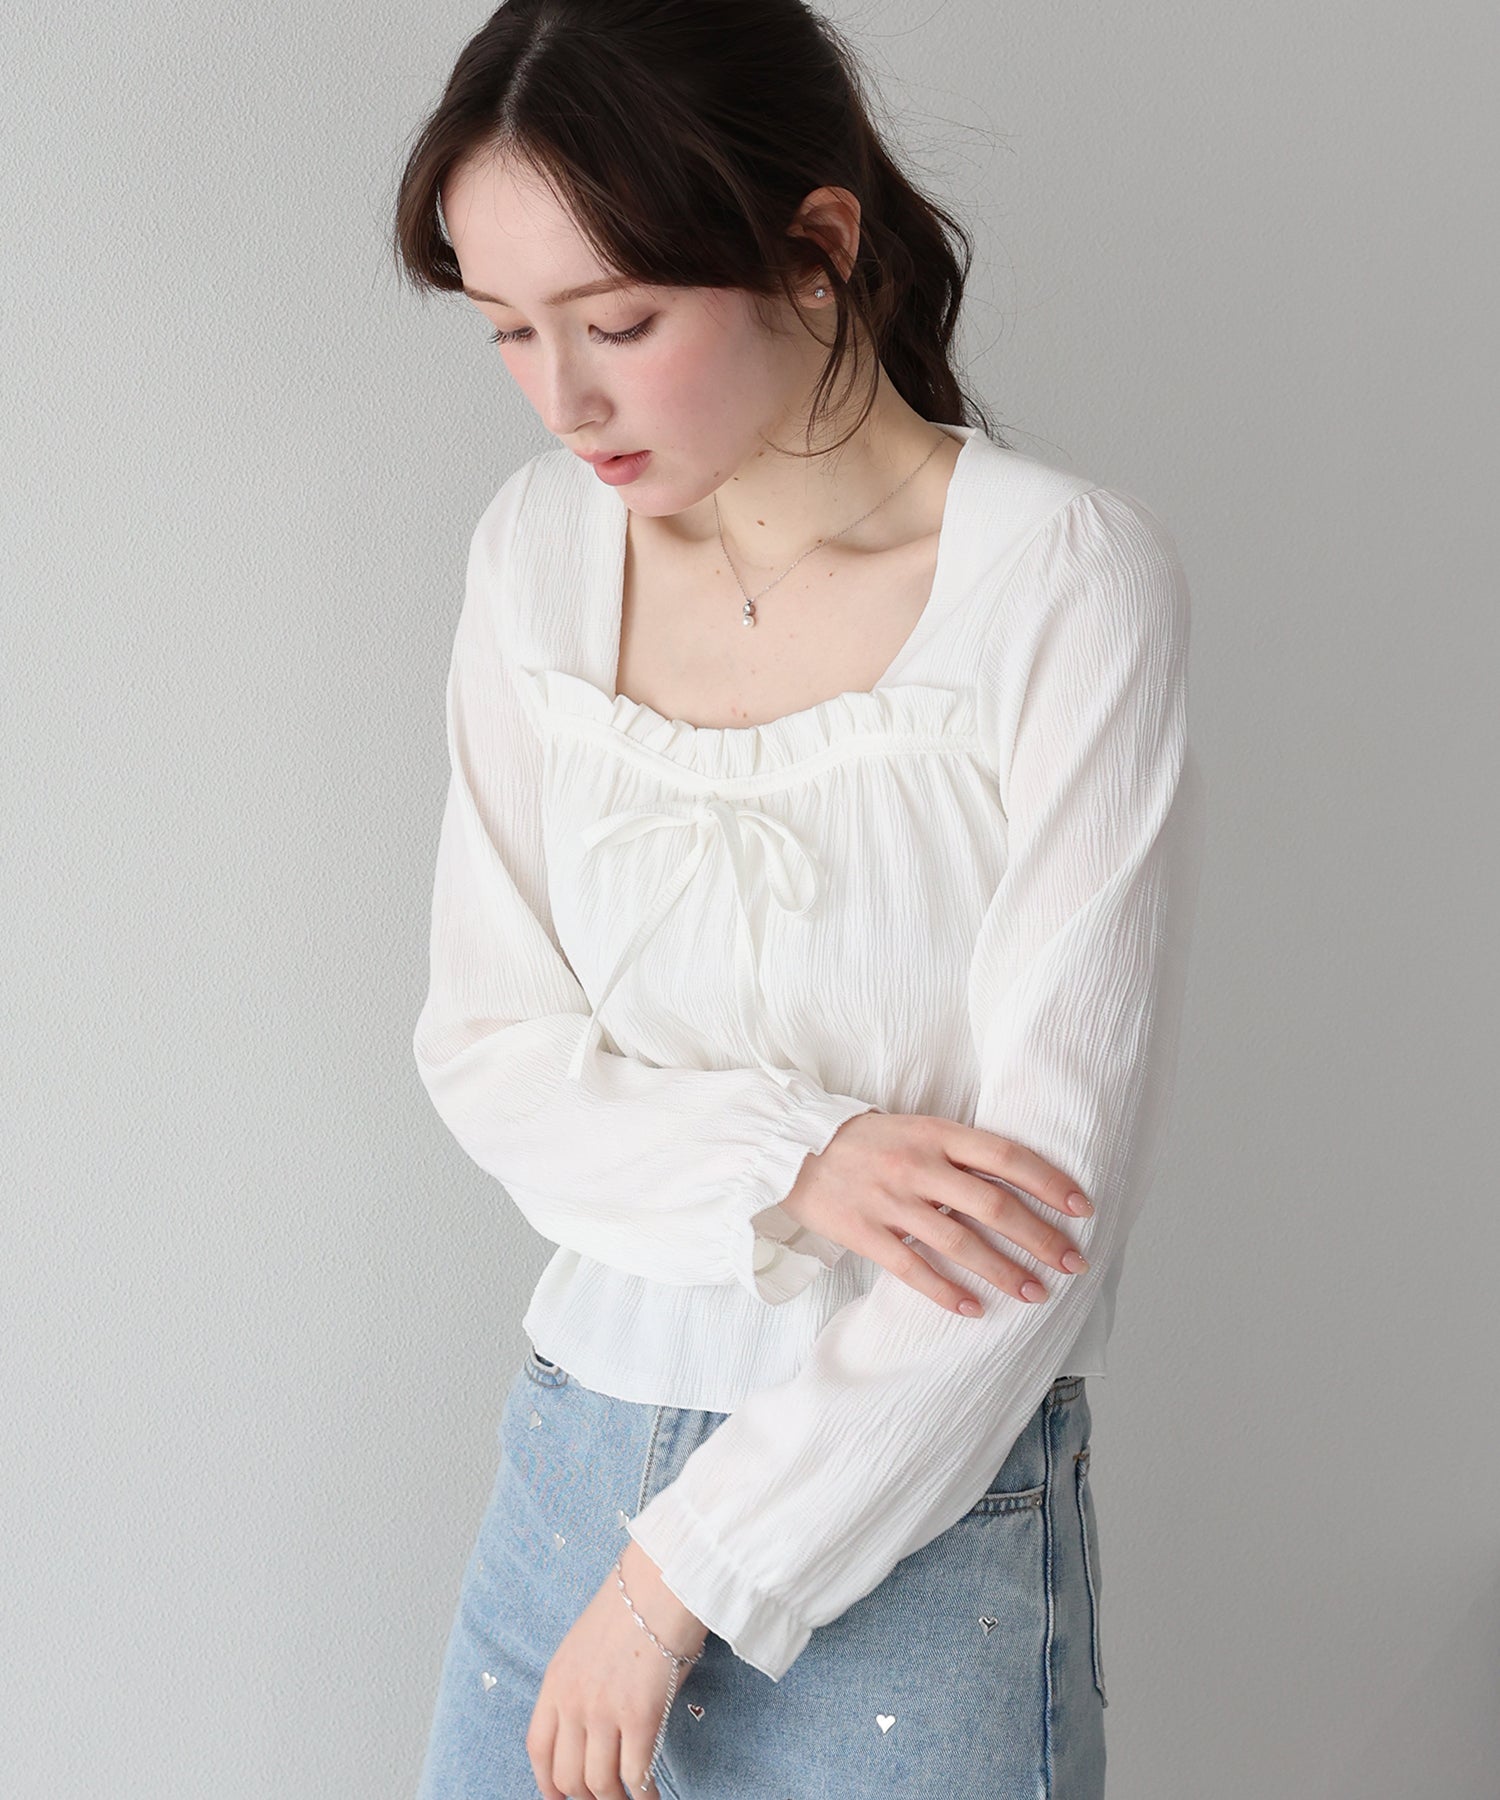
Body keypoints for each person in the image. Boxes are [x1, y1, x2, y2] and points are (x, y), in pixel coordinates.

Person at [393, 3, 1202, 1796]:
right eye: (507, 328)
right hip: (569, 1471)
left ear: (814, 246)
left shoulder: (1065, 583)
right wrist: (796, 1160)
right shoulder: (536, 555)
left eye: (618, 322)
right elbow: (489, 1051)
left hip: (916, 1520)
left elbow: (1032, 1231)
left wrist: (674, 1582)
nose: (562, 398)